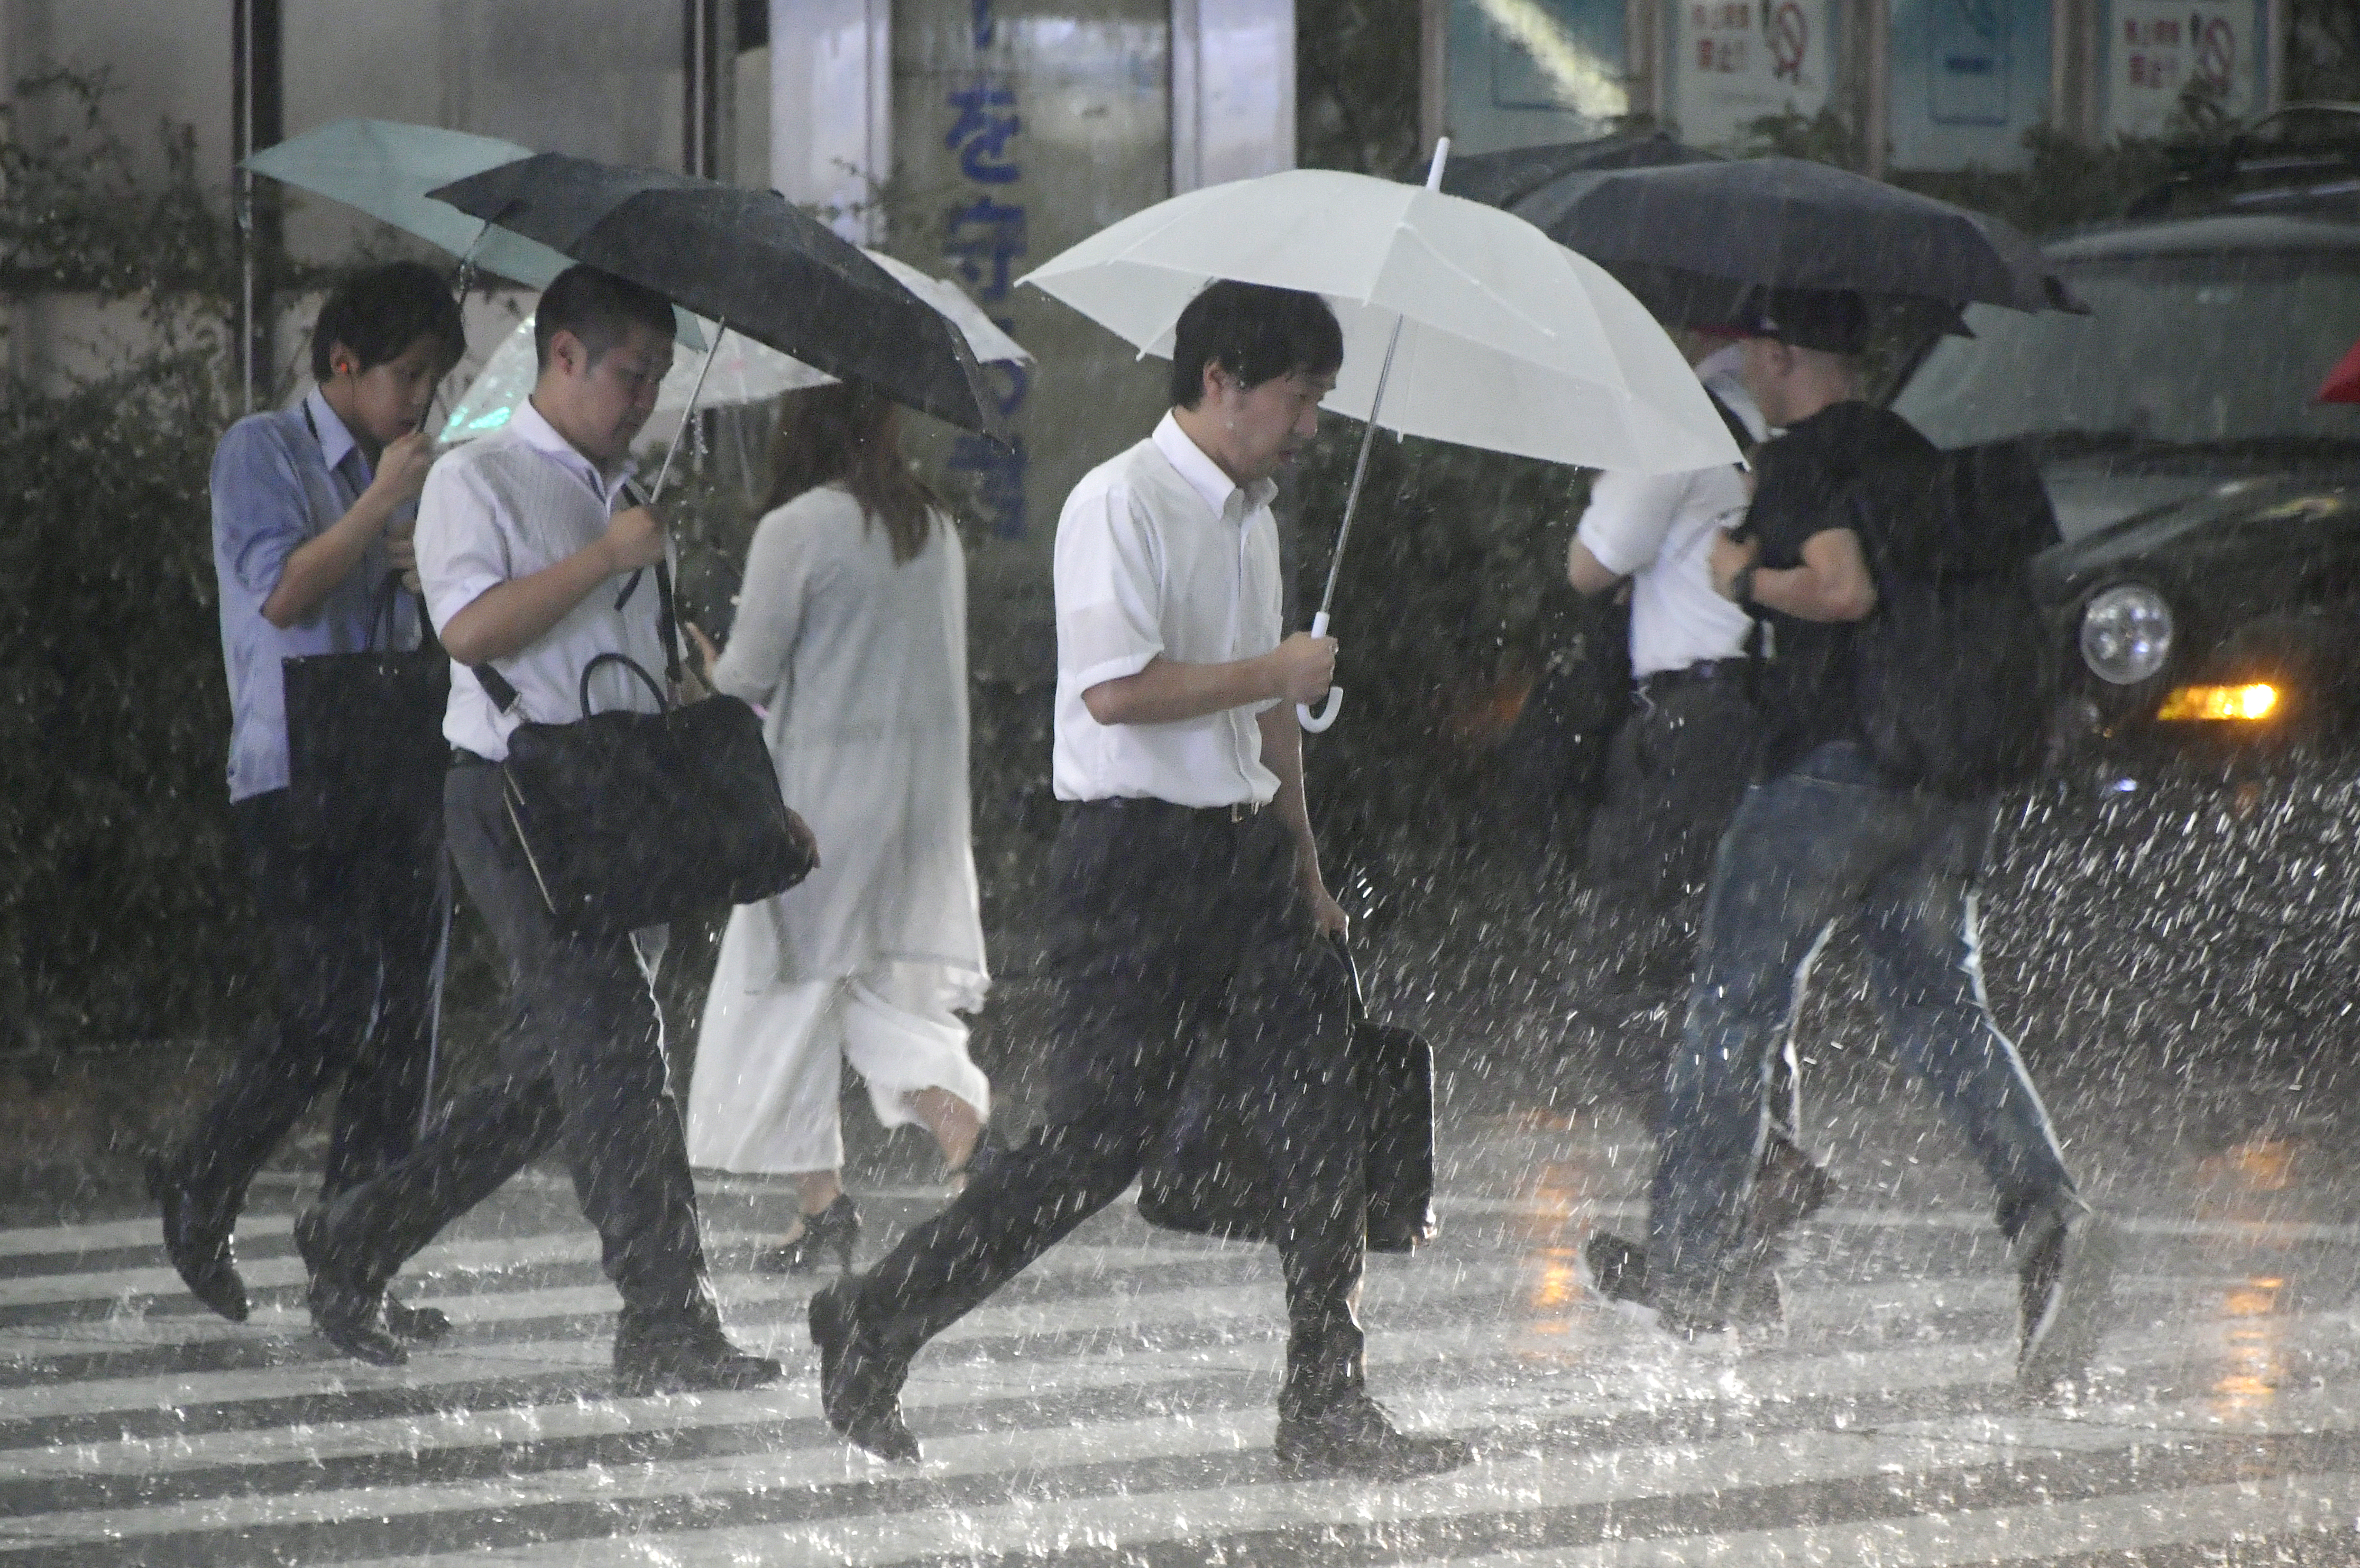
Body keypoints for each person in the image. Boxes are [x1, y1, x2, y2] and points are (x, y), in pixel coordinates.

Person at [807, 281, 1470, 1478]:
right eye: (1298, 399)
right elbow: (1118, 689)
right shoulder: (1119, 501)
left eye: (1319, 401)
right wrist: (1276, 664)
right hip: (1134, 864)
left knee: (1327, 1120)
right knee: (1090, 1147)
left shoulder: (1254, 518)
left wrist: (1308, 867)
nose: (1311, 426)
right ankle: (877, 1315)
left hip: (1249, 861)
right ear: (1220, 380)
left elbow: (1276, 723)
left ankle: (1326, 1394)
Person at [292, 265, 790, 1395]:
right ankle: (666, 1314)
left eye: (660, 379)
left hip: (614, 803)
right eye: (631, 373)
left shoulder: (623, 495)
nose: (644, 397)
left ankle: (357, 1235)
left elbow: (636, 682)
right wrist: (605, 559)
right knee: (619, 1051)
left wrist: (745, 800)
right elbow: (468, 630)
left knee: (552, 1079)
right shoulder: (485, 479)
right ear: (560, 356)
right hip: (515, 798)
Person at [1639, 288, 2114, 1391]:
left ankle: (1694, 1257)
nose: (1740, 364)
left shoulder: (1806, 450)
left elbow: (1839, 590)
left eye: (1744, 346)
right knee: (1943, 1005)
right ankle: (2045, 1215)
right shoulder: (1910, 450)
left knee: (1735, 1002)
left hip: (1829, 771)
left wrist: (1740, 575)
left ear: (1776, 349)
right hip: (1941, 782)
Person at [151, 261, 465, 1338]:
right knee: (337, 1003)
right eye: (408, 374)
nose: (420, 398)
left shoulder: (402, 472)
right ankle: (201, 1181)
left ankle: (357, 1254)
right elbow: (283, 593)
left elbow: (408, 633)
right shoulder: (264, 451)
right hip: (294, 774)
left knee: (406, 1027)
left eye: (433, 378)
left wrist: (423, 566)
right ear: (343, 364)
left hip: (395, 763)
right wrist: (382, 499)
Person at [683, 382, 990, 1272]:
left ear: (798, 424)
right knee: (861, 988)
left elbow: (749, 676)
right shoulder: (931, 527)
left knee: (789, 989)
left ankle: (954, 1141)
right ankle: (834, 1200)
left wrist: (708, 665)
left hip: (819, 804)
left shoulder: (799, 527)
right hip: (920, 805)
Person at [1565, 327, 1832, 1323]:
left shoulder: (1668, 427)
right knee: (1742, 989)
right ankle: (1737, 1266)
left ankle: (1762, 1164)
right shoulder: (1770, 432)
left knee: (1615, 984)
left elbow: (1590, 568)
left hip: (1691, 731)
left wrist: (1607, 477)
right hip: (1765, 719)